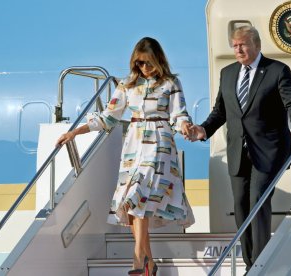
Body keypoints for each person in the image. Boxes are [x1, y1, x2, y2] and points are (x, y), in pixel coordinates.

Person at [57, 37, 195, 276]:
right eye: (140, 63)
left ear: (159, 60)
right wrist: (75, 132)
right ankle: (150, 265)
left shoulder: (171, 83)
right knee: (129, 203)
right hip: (133, 145)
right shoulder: (126, 85)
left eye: (149, 63)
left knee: (136, 195)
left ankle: (136, 260)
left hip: (159, 145)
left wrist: (185, 126)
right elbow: (107, 117)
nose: (144, 68)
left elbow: (179, 114)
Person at [187, 26, 291, 273]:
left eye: (243, 44)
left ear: (257, 45)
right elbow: (220, 111)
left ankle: (262, 261)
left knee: (258, 200)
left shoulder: (277, 71)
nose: (238, 49)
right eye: (234, 45)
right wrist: (203, 130)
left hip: (269, 150)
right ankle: (251, 264)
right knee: (241, 205)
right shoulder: (228, 73)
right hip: (237, 151)